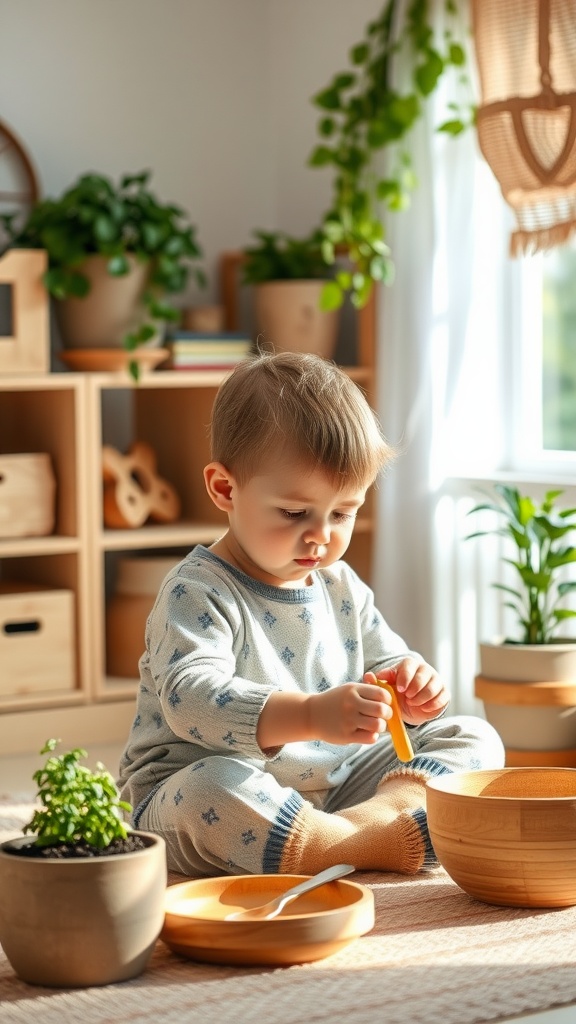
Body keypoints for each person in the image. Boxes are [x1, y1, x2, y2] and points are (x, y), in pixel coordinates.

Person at [118, 351, 504, 878]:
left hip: (334, 791)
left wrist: (411, 686)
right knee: (209, 788)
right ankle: (357, 844)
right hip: (204, 794)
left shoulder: (338, 584)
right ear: (225, 489)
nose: (322, 535)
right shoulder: (198, 590)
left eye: (343, 512)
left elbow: (387, 661)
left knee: (474, 738)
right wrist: (311, 715)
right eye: (296, 513)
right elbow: (192, 701)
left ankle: (357, 832)